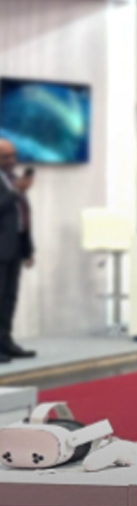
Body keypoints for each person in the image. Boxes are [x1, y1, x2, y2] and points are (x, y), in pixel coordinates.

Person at [0, 139, 32, 362]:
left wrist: (28, 249)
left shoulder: (13, 179)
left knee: (9, 299)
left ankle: (5, 342)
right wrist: (15, 192)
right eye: (5, 157)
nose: (11, 160)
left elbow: (23, 215)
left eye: (13, 155)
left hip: (15, 248)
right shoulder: (13, 186)